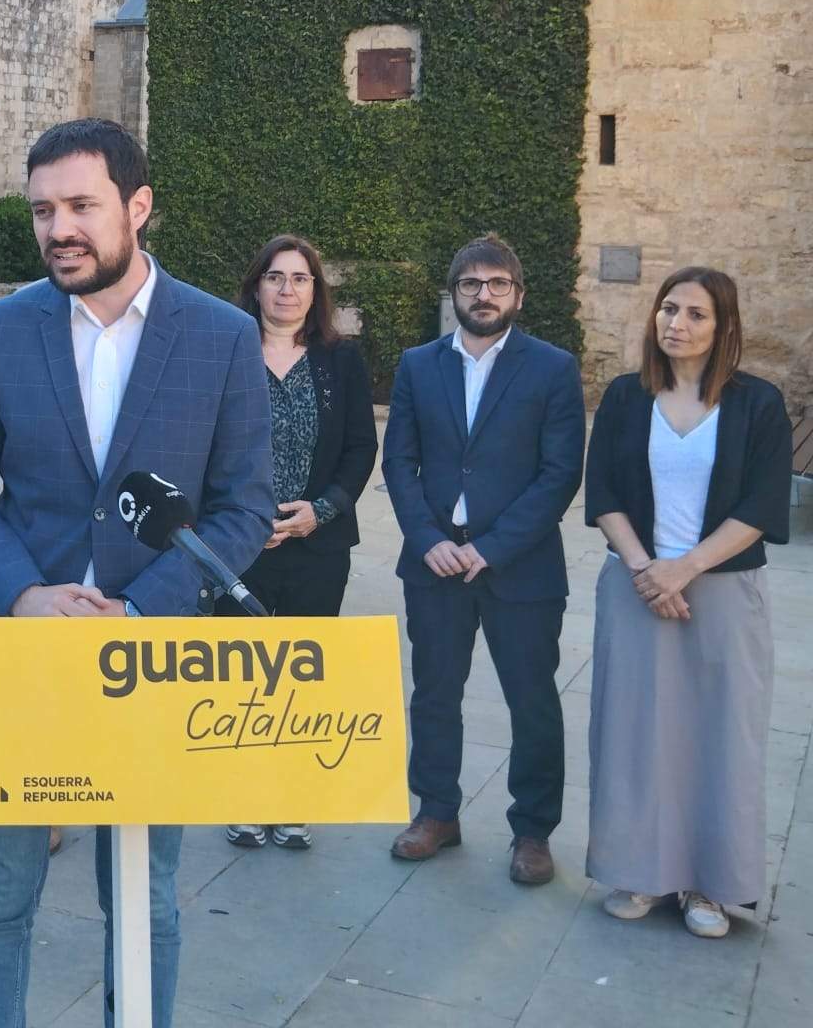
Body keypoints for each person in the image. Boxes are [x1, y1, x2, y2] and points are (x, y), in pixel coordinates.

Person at [0, 117, 273, 1028]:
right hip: (17, 656)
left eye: (81, 205)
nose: (58, 229)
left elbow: (244, 508)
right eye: (43, 210)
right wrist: (23, 594)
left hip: (154, 661)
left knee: (143, 899)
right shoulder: (3, 331)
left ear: (139, 206)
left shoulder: (223, 336)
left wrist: (140, 607)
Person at [584, 268, 791, 938]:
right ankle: (642, 872)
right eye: (668, 309)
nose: (676, 323)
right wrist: (648, 570)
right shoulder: (624, 397)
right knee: (636, 736)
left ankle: (708, 885)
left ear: (723, 325)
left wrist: (686, 569)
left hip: (723, 592)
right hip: (635, 587)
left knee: (718, 737)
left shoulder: (758, 404)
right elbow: (604, 491)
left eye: (696, 314)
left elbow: (762, 505)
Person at [382, 232, 584, 885]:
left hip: (520, 569)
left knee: (531, 702)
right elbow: (400, 463)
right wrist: (426, 538)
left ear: (518, 295)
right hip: (435, 564)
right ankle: (437, 812)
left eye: (498, 283)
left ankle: (532, 832)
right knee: (435, 694)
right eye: (472, 283)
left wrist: (492, 548)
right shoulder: (418, 365)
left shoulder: (552, 369)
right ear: (454, 293)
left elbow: (559, 475)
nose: (484, 293)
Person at [221, 234, 378, 852]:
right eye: (275, 277)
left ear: (317, 291)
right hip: (240, 546)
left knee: (302, 678)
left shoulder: (341, 361)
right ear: (256, 284)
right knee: (241, 678)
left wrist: (323, 510)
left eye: (300, 279)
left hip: (317, 545)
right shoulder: (227, 352)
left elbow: (362, 448)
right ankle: (242, 795)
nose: (287, 290)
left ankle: (294, 799)